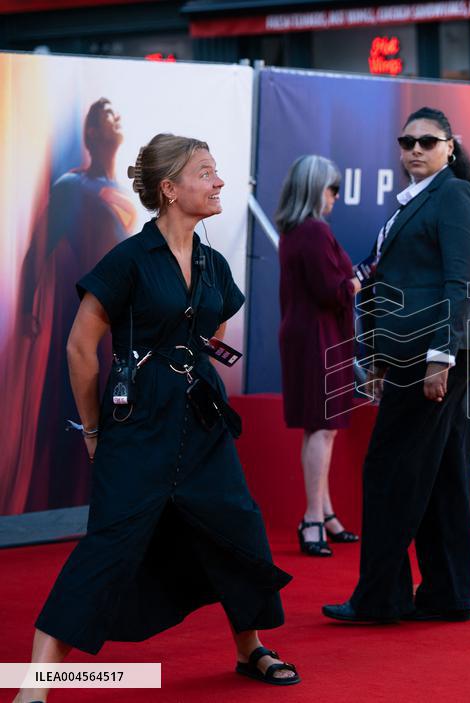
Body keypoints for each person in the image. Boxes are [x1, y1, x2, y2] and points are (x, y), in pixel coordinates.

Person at [17, 134, 299, 703]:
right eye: (206, 172)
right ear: (170, 189)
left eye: (217, 171)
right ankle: (36, 684)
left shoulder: (213, 263)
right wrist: (93, 430)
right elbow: (79, 348)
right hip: (138, 424)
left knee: (235, 528)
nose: (219, 182)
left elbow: (214, 326)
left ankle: (250, 647)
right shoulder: (128, 260)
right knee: (109, 545)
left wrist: (186, 357)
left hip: (202, 421)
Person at [322, 107, 470, 624]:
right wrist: (375, 356)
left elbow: (460, 279)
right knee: (440, 472)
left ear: (449, 148)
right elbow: (386, 285)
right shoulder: (411, 202)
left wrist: (441, 357)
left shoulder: (454, 194)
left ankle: (380, 598)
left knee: (388, 468)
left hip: (435, 349)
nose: (415, 149)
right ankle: (447, 592)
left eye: (427, 141)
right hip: (413, 349)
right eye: (407, 141)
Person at [4, 98, 137, 515]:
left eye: (117, 113)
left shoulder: (126, 192)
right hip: (91, 319)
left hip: (127, 325)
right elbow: (37, 250)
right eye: (106, 114)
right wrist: (27, 308)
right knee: (84, 408)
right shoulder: (72, 186)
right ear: (91, 133)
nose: (116, 117)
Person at [275, 155, 361, 558]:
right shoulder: (313, 231)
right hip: (318, 338)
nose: (336, 196)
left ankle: (324, 513)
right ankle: (313, 517)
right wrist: (361, 279)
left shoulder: (297, 230)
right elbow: (333, 291)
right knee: (323, 428)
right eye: (332, 188)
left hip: (311, 336)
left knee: (320, 427)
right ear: (314, 189)